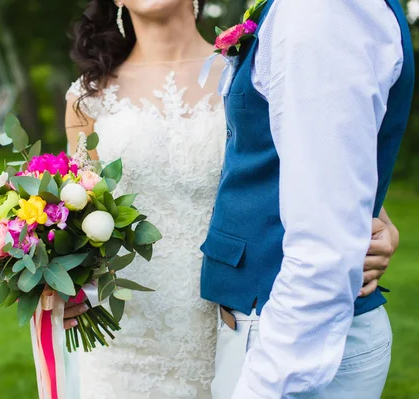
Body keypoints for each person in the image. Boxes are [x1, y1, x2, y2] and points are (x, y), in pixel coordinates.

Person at [63, 1, 404, 398]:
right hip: (127, 335)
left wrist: (380, 227)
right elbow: (77, 213)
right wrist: (62, 281)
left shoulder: (251, 67)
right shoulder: (86, 98)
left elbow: (324, 170)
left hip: (238, 326)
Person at [202, 0, 414, 397]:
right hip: (269, 324)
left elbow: (325, 247)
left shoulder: (319, 11)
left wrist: (263, 386)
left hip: (290, 340)